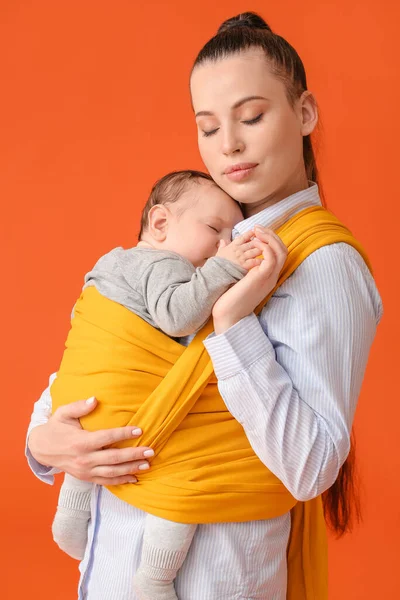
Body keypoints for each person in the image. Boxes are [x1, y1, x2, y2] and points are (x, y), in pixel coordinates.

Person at [26, 12, 383, 600]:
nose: (230, 145)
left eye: (252, 116)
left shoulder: (325, 266)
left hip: (213, 581)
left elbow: (313, 466)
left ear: (305, 114)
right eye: (209, 127)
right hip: (109, 569)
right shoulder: (205, 230)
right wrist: (43, 440)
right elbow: (116, 354)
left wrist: (233, 323)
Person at [50, 168, 282, 600]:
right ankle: (155, 578)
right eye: (214, 230)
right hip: (131, 405)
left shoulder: (110, 263)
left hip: (89, 400)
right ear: (160, 224)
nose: (222, 246)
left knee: (93, 450)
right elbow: (178, 315)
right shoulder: (161, 264)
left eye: (230, 237)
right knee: (187, 478)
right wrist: (224, 270)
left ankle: (69, 518)